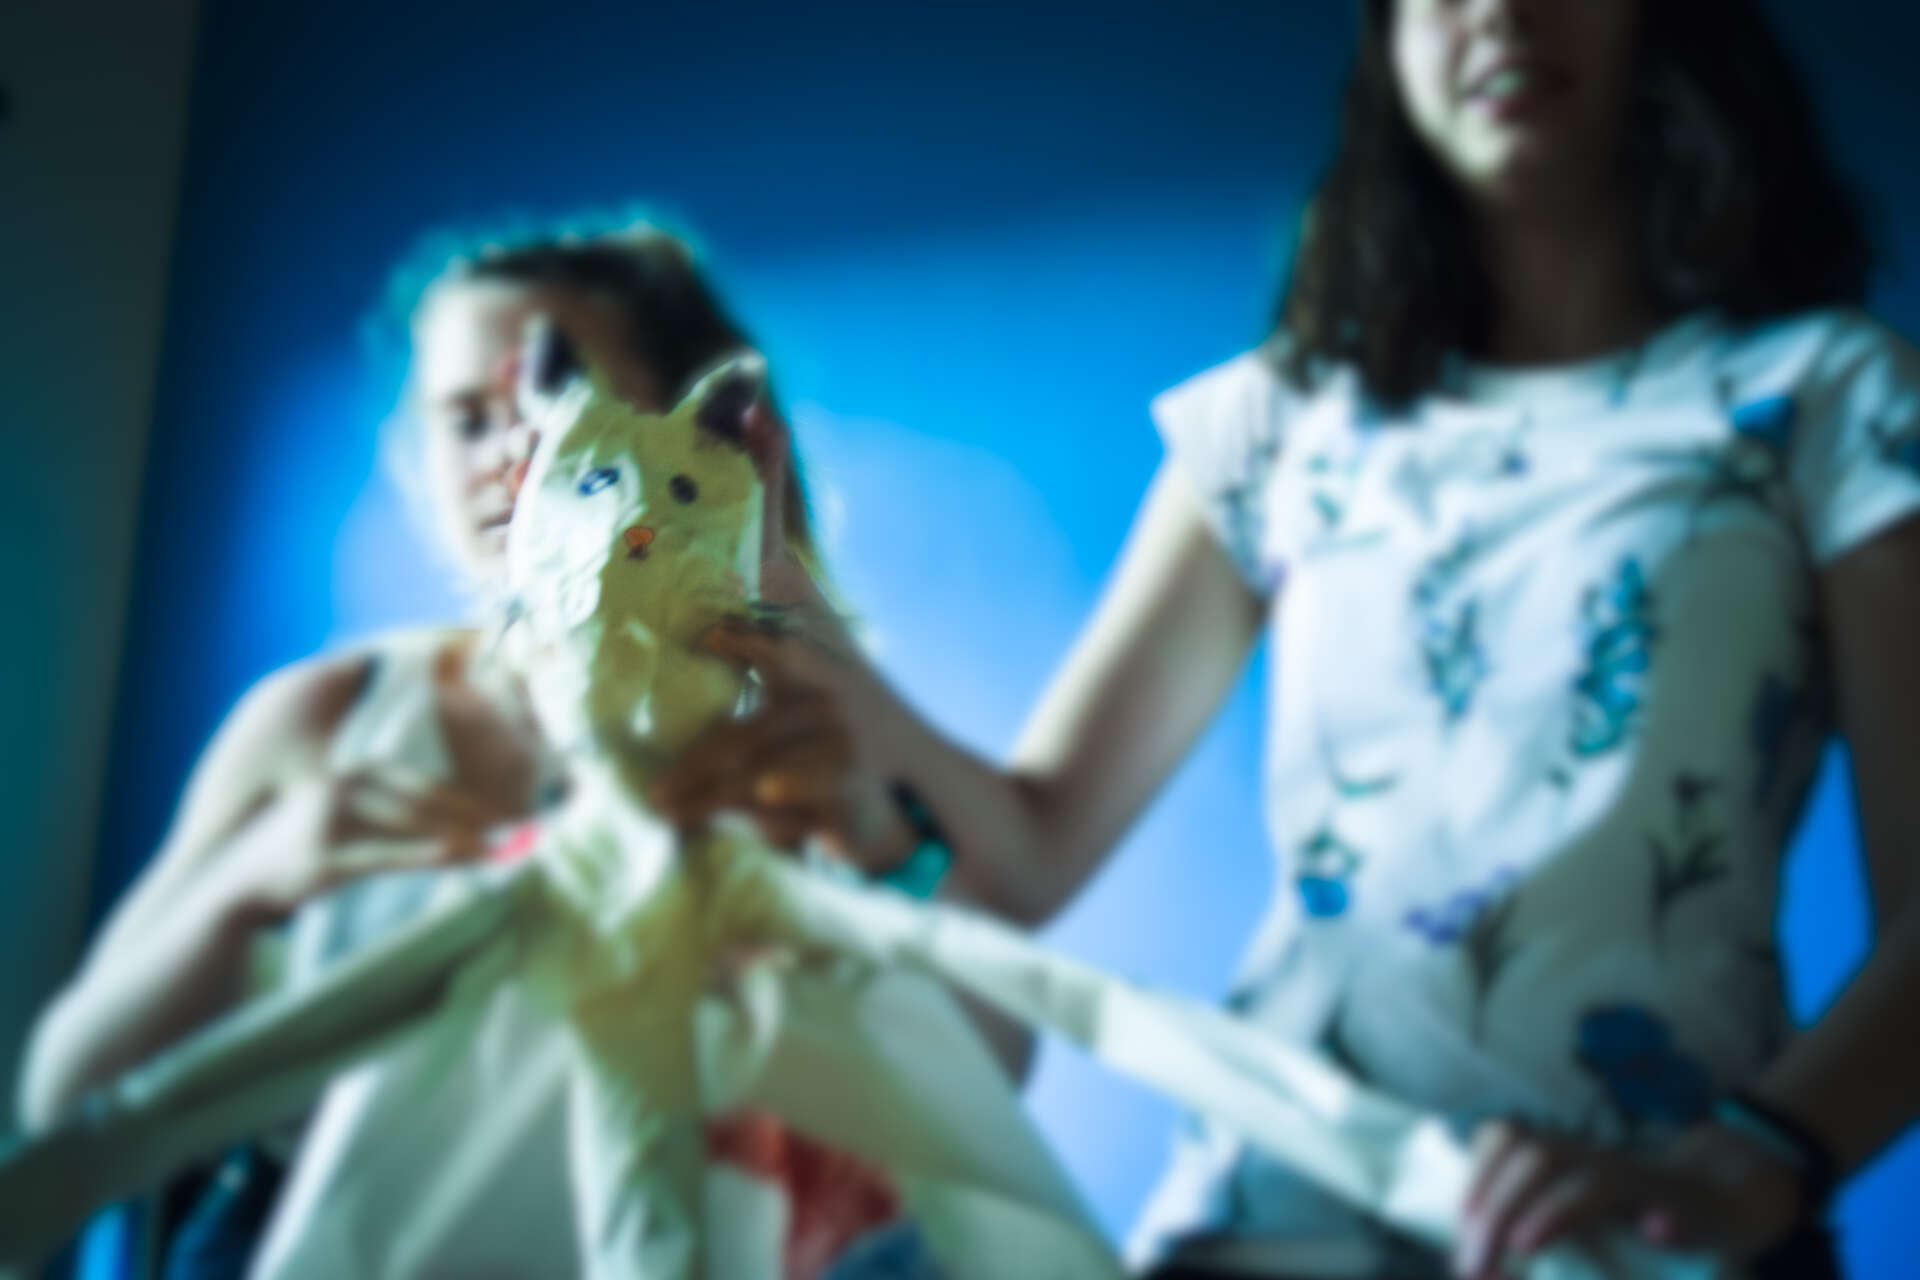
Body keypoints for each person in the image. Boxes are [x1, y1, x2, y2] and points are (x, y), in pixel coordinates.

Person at [651, 1, 1920, 1277]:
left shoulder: (1826, 398)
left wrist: (1753, 1154)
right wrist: (777, 594)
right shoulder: (1281, 417)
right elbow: (1029, 847)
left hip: (1637, 1232)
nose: (1501, 11)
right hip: (1265, 1219)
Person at [14, 225, 985, 1278]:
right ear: (415, 454)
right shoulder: (326, 719)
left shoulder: (790, 735)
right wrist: (249, 881)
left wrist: (880, 844)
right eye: (470, 418)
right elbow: (64, 1092)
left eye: (566, 402)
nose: (517, 449)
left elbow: (981, 1093)